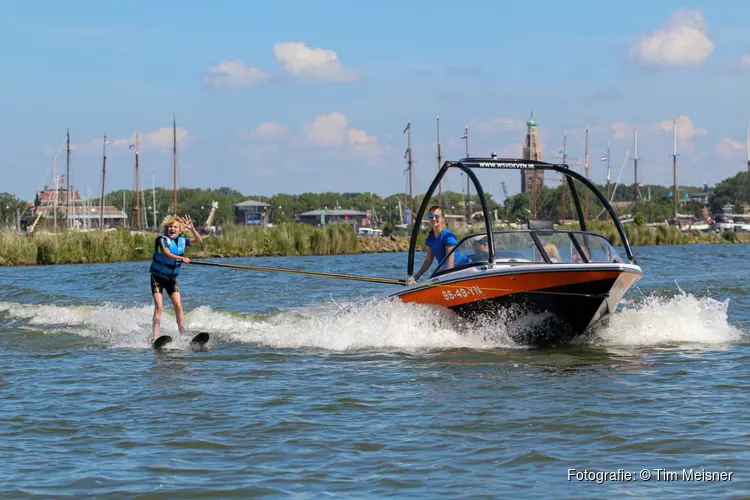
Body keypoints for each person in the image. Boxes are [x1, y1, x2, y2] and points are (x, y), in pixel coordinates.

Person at [150, 215, 203, 340]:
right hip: (157, 278)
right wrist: (182, 258)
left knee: (178, 306)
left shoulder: (182, 241)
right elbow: (167, 254)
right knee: (159, 306)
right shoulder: (161, 240)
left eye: (175, 227)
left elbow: (199, 241)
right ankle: (155, 337)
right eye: (170, 226)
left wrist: (192, 229)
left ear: (180, 230)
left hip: (171, 279)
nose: (172, 228)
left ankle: (182, 336)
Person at [409, 206, 470, 283]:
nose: (434, 219)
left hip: (460, 268)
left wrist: (448, 279)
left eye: (437, 216)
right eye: (431, 216)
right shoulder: (430, 239)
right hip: (444, 270)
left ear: (443, 219)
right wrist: (416, 276)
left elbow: (449, 262)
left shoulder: (448, 236)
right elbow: (428, 260)